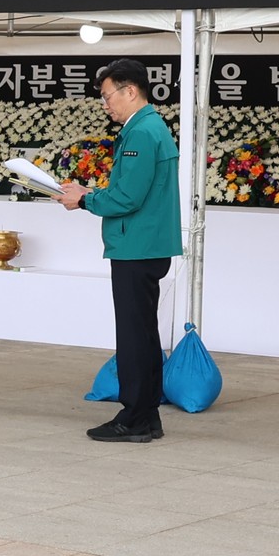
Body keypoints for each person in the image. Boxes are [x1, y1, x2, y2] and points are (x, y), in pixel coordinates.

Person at [56, 57, 184, 445]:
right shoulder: (147, 128)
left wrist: (84, 198)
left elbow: (127, 196)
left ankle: (134, 418)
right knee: (142, 333)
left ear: (131, 91)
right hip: (144, 243)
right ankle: (146, 416)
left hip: (137, 246)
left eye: (109, 96)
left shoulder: (142, 132)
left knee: (134, 336)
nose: (105, 104)